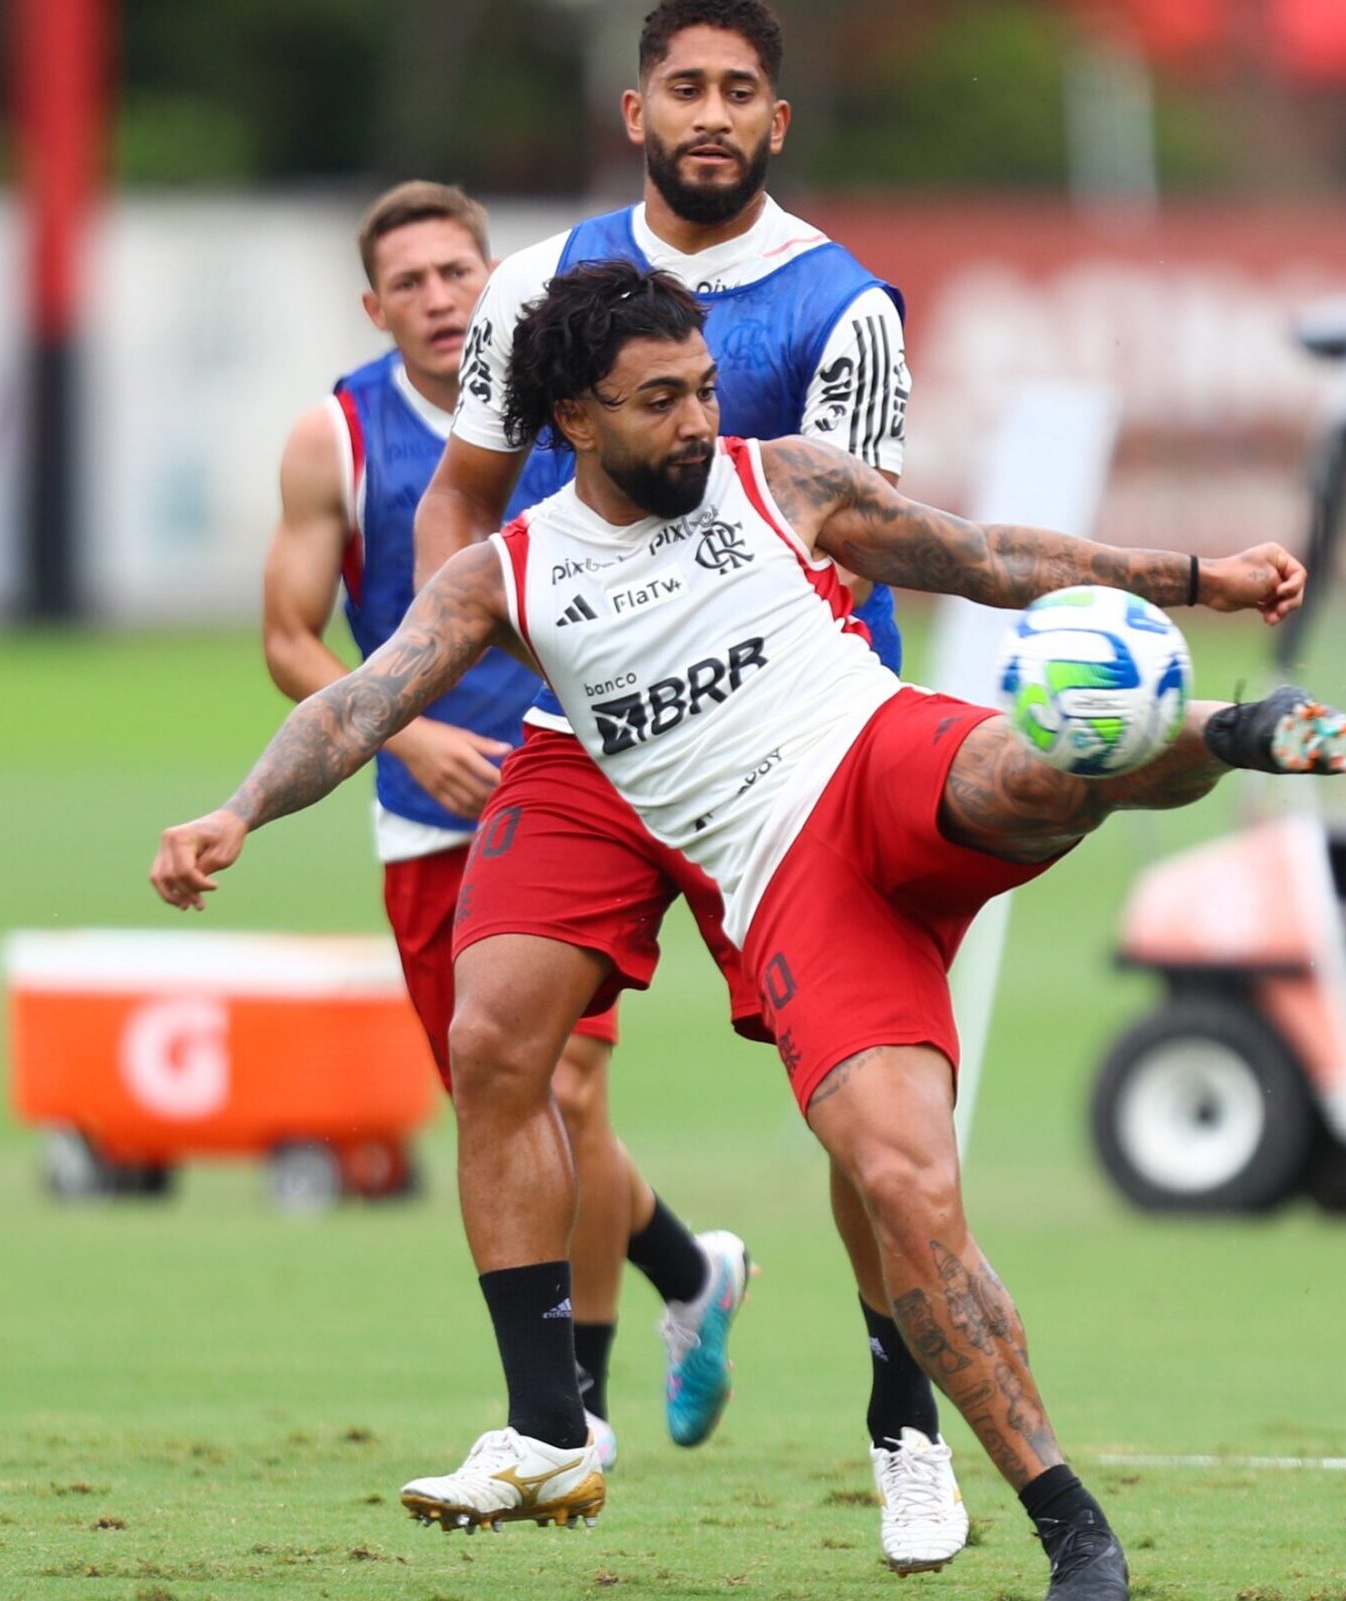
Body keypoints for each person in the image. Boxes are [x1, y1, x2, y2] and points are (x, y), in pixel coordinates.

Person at [148, 262, 1346, 1600]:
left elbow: (994, 558)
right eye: (658, 401)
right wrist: (235, 813)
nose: (693, 422)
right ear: (573, 418)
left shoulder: (778, 478)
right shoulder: (512, 575)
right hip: (785, 880)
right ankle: (1075, 1530)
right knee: (905, 1184)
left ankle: (1231, 731)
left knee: (1026, 766)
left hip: (876, 751)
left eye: (704, 389)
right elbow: (354, 708)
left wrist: (1195, 576)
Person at [413, 0, 964, 1569]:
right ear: (634, 107)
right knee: (510, 1050)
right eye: (684, 87)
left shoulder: (843, 307)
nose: (710, 112)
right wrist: (476, 663)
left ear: (777, 122)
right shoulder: (537, 288)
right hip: (589, 744)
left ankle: (907, 1433)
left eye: (740, 91)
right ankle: (549, 1423)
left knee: (870, 1122)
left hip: (788, 751)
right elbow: (461, 508)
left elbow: (849, 551)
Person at [257, 179, 736, 1465]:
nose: (436, 298)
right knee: (506, 1103)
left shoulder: (573, 410)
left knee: (567, 1078)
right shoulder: (337, 436)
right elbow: (289, 638)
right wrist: (409, 734)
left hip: (581, 797)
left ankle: (572, 1405)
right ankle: (690, 1269)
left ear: (492, 278)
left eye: (455, 271)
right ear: (375, 304)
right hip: (423, 815)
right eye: (407, 281)